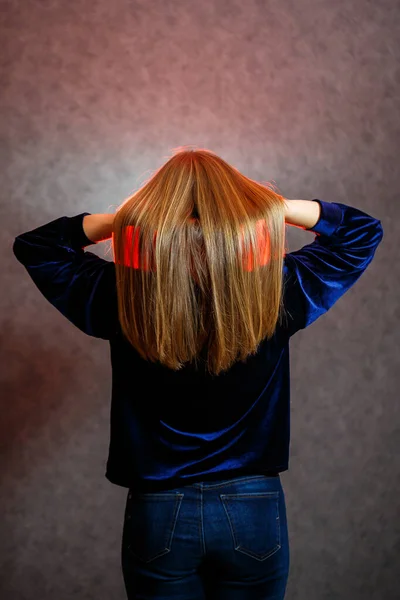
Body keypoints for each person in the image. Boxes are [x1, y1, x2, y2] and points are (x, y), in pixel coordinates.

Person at [12, 147, 384, 599]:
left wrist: (126, 221)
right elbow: (361, 232)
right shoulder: (277, 291)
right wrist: (271, 209)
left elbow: (37, 246)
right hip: (253, 506)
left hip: (159, 510)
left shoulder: (120, 294)